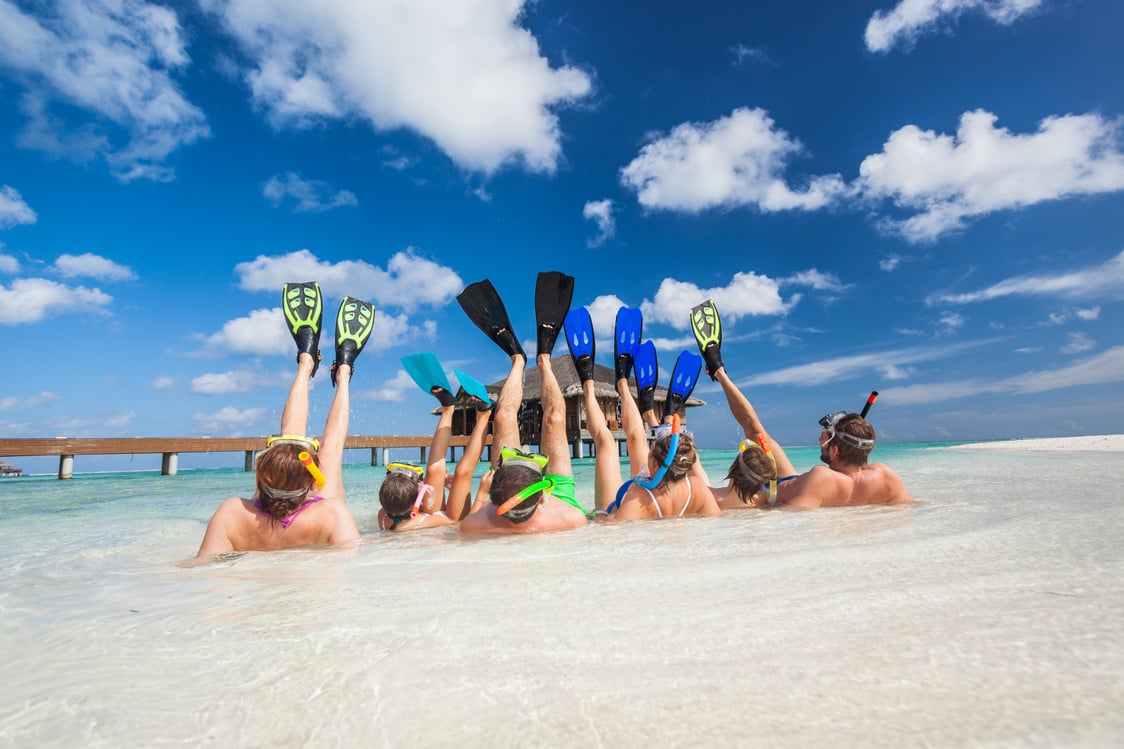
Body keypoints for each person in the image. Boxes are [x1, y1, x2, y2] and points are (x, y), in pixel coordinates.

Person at [196, 284, 372, 556]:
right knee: (330, 447)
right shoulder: (330, 514)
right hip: (317, 533)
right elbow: (353, 564)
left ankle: (308, 362)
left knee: (294, 451)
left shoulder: (232, 513)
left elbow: (202, 568)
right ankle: (340, 373)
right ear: (313, 483)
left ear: (259, 479)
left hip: (256, 542)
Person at [690, 299, 913, 510]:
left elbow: (788, 515)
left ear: (835, 450)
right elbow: (914, 507)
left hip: (771, 494)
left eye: (824, 438)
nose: (819, 439)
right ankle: (719, 371)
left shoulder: (822, 477)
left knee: (711, 494)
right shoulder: (886, 477)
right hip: (796, 485)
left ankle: (718, 369)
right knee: (756, 432)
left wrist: (754, 503)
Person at [457, 273, 588, 534]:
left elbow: (465, 523)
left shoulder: (475, 525)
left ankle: (517, 358)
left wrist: (484, 496)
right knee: (554, 419)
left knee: (504, 415)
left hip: (508, 488)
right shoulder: (571, 518)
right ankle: (544, 359)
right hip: (554, 493)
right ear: (543, 497)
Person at [577, 306, 720, 520]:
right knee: (611, 440)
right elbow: (717, 519)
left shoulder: (638, 497)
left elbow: (609, 529)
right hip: (670, 502)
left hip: (634, 504)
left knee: (612, 441)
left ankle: (611, 385)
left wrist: (601, 516)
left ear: (653, 463)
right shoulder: (698, 489)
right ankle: (621, 391)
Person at [378, 359, 495, 531]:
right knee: (463, 472)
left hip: (422, 514)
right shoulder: (420, 522)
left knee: (434, 470)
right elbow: (458, 524)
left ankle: (448, 407)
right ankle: (484, 414)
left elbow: (398, 508)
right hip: (453, 522)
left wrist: (433, 484)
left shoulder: (384, 515)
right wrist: (482, 495)